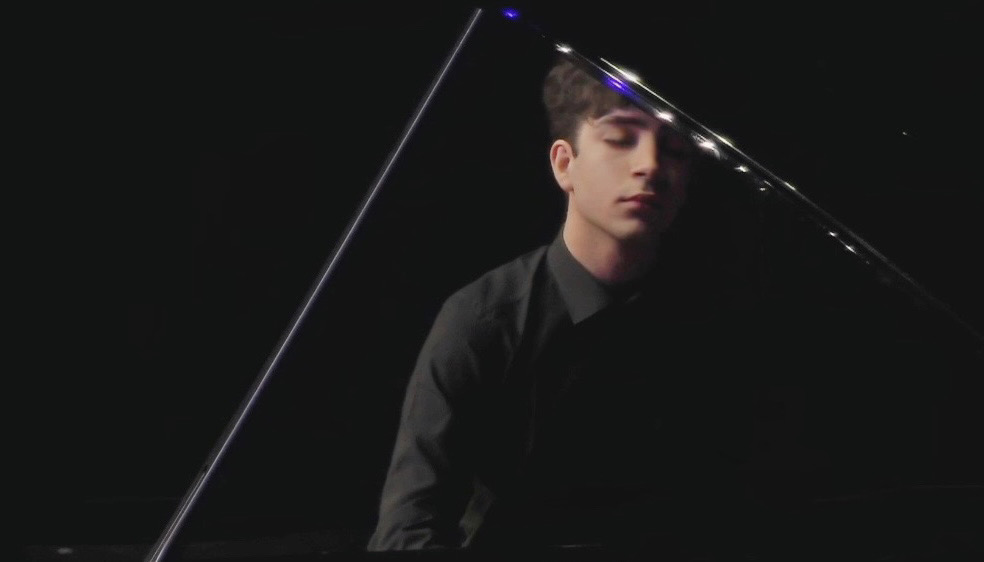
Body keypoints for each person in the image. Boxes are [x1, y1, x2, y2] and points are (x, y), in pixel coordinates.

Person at [367, 57, 738, 551]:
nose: (650, 164)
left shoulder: (718, 314)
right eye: (621, 138)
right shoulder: (482, 319)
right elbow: (408, 529)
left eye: (673, 149)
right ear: (565, 164)